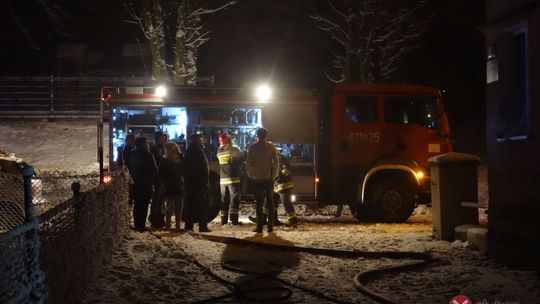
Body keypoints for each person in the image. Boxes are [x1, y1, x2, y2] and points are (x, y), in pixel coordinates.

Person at [246, 127, 279, 233]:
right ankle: (270, 226)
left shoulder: (252, 148)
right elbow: (276, 163)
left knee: (259, 204)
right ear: (266, 136)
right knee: (270, 203)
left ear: (257, 135)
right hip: (268, 179)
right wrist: (273, 176)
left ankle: (259, 227)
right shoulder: (271, 147)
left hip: (256, 180)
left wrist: (251, 176)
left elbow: (248, 164)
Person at [183, 133, 211, 233]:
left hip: (191, 184)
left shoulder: (189, 151)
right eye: (200, 139)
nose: (202, 141)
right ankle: (202, 226)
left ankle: (189, 226)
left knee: (191, 206)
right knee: (202, 206)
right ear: (196, 140)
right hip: (199, 184)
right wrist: (204, 184)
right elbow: (202, 169)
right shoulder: (198, 151)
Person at [129, 136, 158, 231]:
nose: (148, 145)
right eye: (146, 143)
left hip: (135, 183)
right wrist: (156, 180)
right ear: (143, 144)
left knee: (137, 205)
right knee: (144, 205)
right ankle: (141, 225)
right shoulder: (148, 155)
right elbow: (153, 169)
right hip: (146, 184)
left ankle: (137, 224)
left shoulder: (133, 154)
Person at [216, 132, 244, 226]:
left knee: (224, 200)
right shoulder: (234, 149)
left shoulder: (219, 151)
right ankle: (234, 220)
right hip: (233, 179)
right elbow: (241, 157)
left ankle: (223, 220)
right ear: (228, 139)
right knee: (234, 199)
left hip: (222, 180)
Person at [158, 142, 184, 230]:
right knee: (170, 206)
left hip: (179, 185)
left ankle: (177, 225)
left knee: (178, 207)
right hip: (170, 185)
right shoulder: (165, 160)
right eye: (173, 149)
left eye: (175, 148)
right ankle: (168, 225)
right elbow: (161, 174)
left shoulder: (180, 158)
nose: (175, 150)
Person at [273, 153, 299, 227]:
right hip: (278, 186)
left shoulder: (281, 160)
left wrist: (278, 176)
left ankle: (293, 222)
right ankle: (273, 220)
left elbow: (286, 172)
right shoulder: (277, 159)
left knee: (286, 204)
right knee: (272, 203)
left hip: (284, 186)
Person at [149, 131, 168, 228]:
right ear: (157, 139)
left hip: (162, 178)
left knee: (160, 200)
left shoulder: (162, 149)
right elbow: (157, 164)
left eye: (165, 138)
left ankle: (160, 219)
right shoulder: (155, 149)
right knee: (157, 200)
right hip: (158, 179)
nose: (164, 140)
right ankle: (155, 220)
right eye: (162, 138)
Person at [118, 133, 136, 205]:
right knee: (130, 196)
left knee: (130, 197)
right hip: (130, 175)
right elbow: (121, 163)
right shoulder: (128, 151)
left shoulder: (126, 150)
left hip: (128, 175)